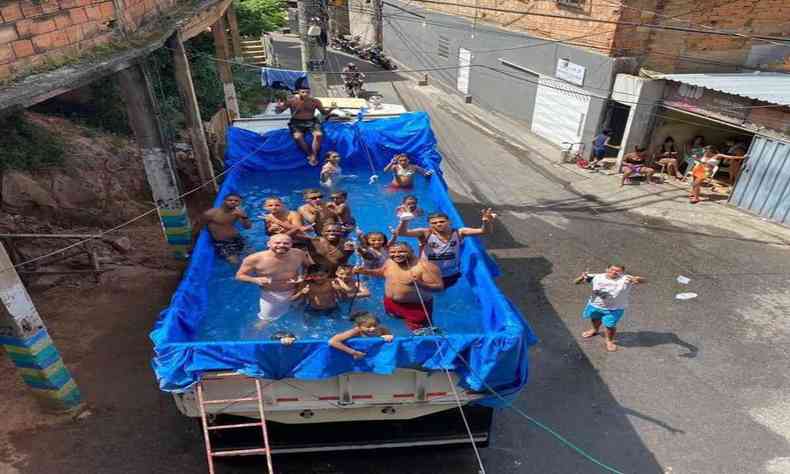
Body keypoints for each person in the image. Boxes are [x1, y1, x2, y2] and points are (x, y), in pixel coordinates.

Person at [354, 241, 443, 332]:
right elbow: (382, 272)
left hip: (415, 308)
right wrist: (366, 271)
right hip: (391, 303)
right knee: (395, 321)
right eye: (392, 252)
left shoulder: (425, 267)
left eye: (401, 252)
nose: (396, 255)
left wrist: (419, 283)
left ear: (412, 251)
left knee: (423, 332)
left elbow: (439, 287)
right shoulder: (390, 262)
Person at [396, 209, 497, 288]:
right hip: (427, 273)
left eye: (441, 221)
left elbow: (484, 231)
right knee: (426, 293)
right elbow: (402, 233)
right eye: (434, 223)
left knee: (442, 291)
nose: (438, 224)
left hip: (450, 274)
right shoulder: (425, 233)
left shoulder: (460, 232)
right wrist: (404, 220)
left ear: (449, 222)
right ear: (429, 225)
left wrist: (486, 222)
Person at [235, 234, 313, 324]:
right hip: (272, 295)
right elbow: (239, 276)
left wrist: (302, 276)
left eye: (286, 243)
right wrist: (256, 280)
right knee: (265, 321)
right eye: (277, 243)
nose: (281, 245)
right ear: (268, 244)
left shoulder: (298, 254)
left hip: (297, 291)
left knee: (298, 314)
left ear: (291, 244)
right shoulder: (254, 259)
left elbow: (308, 267)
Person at [574, 263, 646, 352]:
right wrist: (581, 277)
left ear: (622, 272)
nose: (614, 272)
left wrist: (639, 279)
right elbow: (576, 282)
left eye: (618, 271)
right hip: (595, 305)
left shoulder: (626, 279)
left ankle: (609, 341)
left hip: (614, 309)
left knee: (610, 326)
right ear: (606, 269)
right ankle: (594, 330)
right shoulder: (596, 277)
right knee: (594, 318)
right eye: (612, 269)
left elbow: (642, 281)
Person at [275, 86, 335, 166]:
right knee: (297, 137)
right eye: (303, 92)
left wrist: (331, 109)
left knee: (318, 135)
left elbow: (323, 113)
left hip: (311, 121)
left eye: (307, 92)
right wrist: (278, 107)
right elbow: (279, 111)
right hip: (297, 122)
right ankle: (310, 155)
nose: (305, 94)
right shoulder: (291, 101)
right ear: (298, 92)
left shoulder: (315, 101)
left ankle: (314, 155)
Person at [196, 194, 252, 264]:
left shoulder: (238, 213)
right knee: (235, 262)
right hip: (222, 243)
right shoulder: (211, 213)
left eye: (236, 201)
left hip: (237, 238)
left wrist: (244, 216)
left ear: (239, 203)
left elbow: (248, 227)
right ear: (224, 201)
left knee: (253, 256)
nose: (233, 202)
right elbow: (198, 225)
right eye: (230, 200)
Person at [329, 312, 393, 359]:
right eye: (368, 327)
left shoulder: (381, 329)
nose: (373, 329)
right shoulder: (356, 331)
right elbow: (332, 341)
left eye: (375, 326)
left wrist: (389, 337)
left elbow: (392, 339)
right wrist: (353, 352)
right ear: (359, 327)